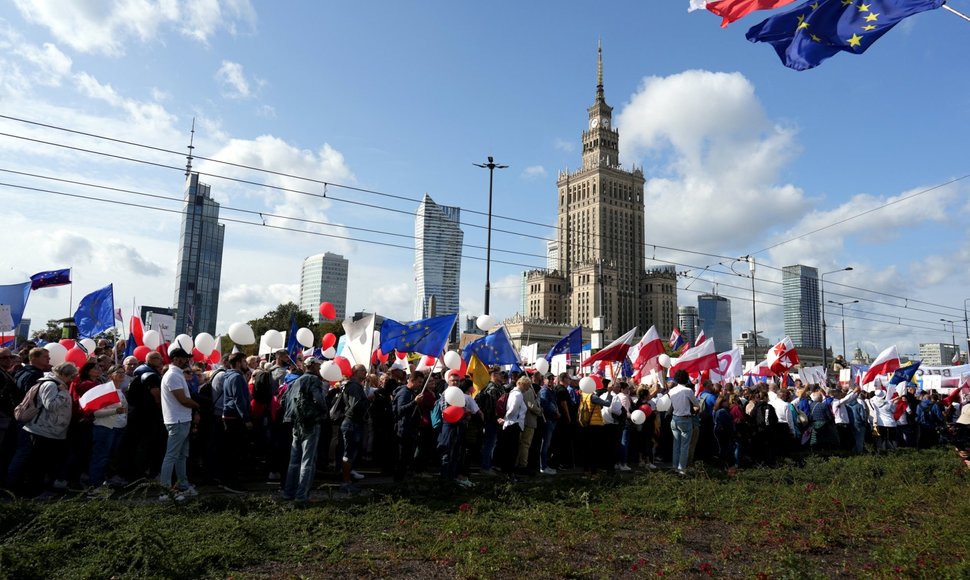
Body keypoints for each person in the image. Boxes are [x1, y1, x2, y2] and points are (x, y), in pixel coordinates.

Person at [8, 362, 77, 497]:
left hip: (52, 431)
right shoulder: (50, 385)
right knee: (38, 463)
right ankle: (36, 491)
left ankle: (42, 488)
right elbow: (50, 405)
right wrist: (63, 393)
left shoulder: (57, 384)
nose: (72, 380)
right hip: (43, 430)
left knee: (45, 463)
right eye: (71, 376)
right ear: (63, 374)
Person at [281, 358, 326, 505]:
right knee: (307, 461)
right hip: (310, 423)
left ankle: (289, 493)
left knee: (294, 461)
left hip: (295, 423)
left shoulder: (295, 381)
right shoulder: (314, 380)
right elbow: (319, 399)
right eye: (318, 365)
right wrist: (324, 412)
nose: (320, 368)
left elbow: (285, 401)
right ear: (312, 366)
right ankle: (302, 497)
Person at [158, 348, 200, 501]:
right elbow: (182, 399)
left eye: (186, 358)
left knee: (182, 455)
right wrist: (198, 406)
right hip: (177, 420)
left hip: (181, 419)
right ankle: (165, 491)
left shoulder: (175, 374)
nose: (186, 361)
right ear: (176, 359)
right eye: (184, 358)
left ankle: (182, 484)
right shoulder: (173, 375)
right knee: (172, 455)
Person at [87, 365, 128, 495]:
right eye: (118, 372)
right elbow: (97, 413)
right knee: (101, 457)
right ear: (110, 375)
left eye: (123, 372)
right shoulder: (104, 391)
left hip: (118, 428)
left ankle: (103, 482)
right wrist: (115, 410)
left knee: (109, 457)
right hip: (105, 428)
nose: (122, 375)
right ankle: (95, 487)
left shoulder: (120, 390)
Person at [220, 352, 252, 493]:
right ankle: (232, 482)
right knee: (235, 451)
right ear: (238, 363)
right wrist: (246, 419)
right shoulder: (237, 377)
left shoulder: (228, 375)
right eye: (245, 361)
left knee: (229, 451)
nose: (246, 364)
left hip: (228, 416)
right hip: (235, 418)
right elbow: (239, 400)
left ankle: (226, 479)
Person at [339, 364, 371, 493]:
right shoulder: (353, 386)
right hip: (352, 423)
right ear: (356, 372)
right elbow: (355, 406)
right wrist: (367, 401)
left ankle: (348, 480)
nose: (365, 373)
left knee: (351, 453)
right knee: (348, 453)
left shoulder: (354, 386)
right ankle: (345, 482)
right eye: (363, 370)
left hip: (353, 423)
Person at [392, 370, 427, 482]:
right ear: (412, 380)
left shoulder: (412, 392)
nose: (420, 385)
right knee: (402, 458)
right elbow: (400, 410)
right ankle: (398, 482)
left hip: (410, 430)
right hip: (403, 430)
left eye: (422, 382)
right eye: (419, 382)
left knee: (406, 458)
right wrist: (414, 402)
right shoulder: (404, 393)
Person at [668, 370, 699, 476]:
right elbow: (696, 404)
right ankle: (681, 470)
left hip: (674, 419)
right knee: (684, 446)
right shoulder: (688, 391)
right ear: (686, 378)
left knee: (676, 445)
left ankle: (675, 467)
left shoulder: (671, 391)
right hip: (685, 419)